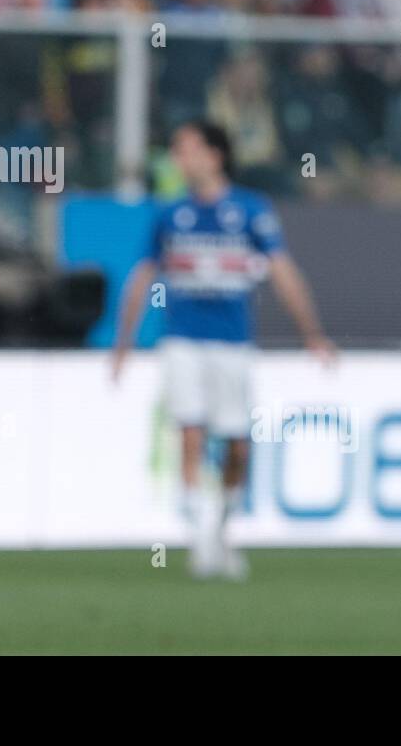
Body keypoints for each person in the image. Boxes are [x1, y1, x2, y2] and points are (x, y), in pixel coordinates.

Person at [111, 121, 334, 579]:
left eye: (188, 149)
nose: (180, 159)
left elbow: (283, 272)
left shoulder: (251, 211)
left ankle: (222, 529)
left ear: (215, 155)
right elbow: (141, 277)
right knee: (189, 431)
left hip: (233, 343)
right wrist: (124, 342)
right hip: (183, 339)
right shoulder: (170, 215)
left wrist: (312, 332)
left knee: (236, 443)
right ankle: (199, 540)